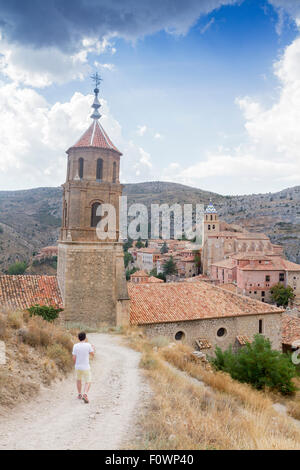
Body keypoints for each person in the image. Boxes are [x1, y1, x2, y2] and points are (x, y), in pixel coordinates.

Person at [72, 332, 95, 404]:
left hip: (78, 366)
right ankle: (85, 393)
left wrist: (76, 364)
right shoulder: (88, 345)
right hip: (86, 366)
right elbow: (92, 354)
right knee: (88, 381)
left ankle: (79, 394)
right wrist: (93, 348)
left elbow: (74, 358)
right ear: (85, 338)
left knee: (79, 380)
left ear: (78, 338)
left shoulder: (75, 346)